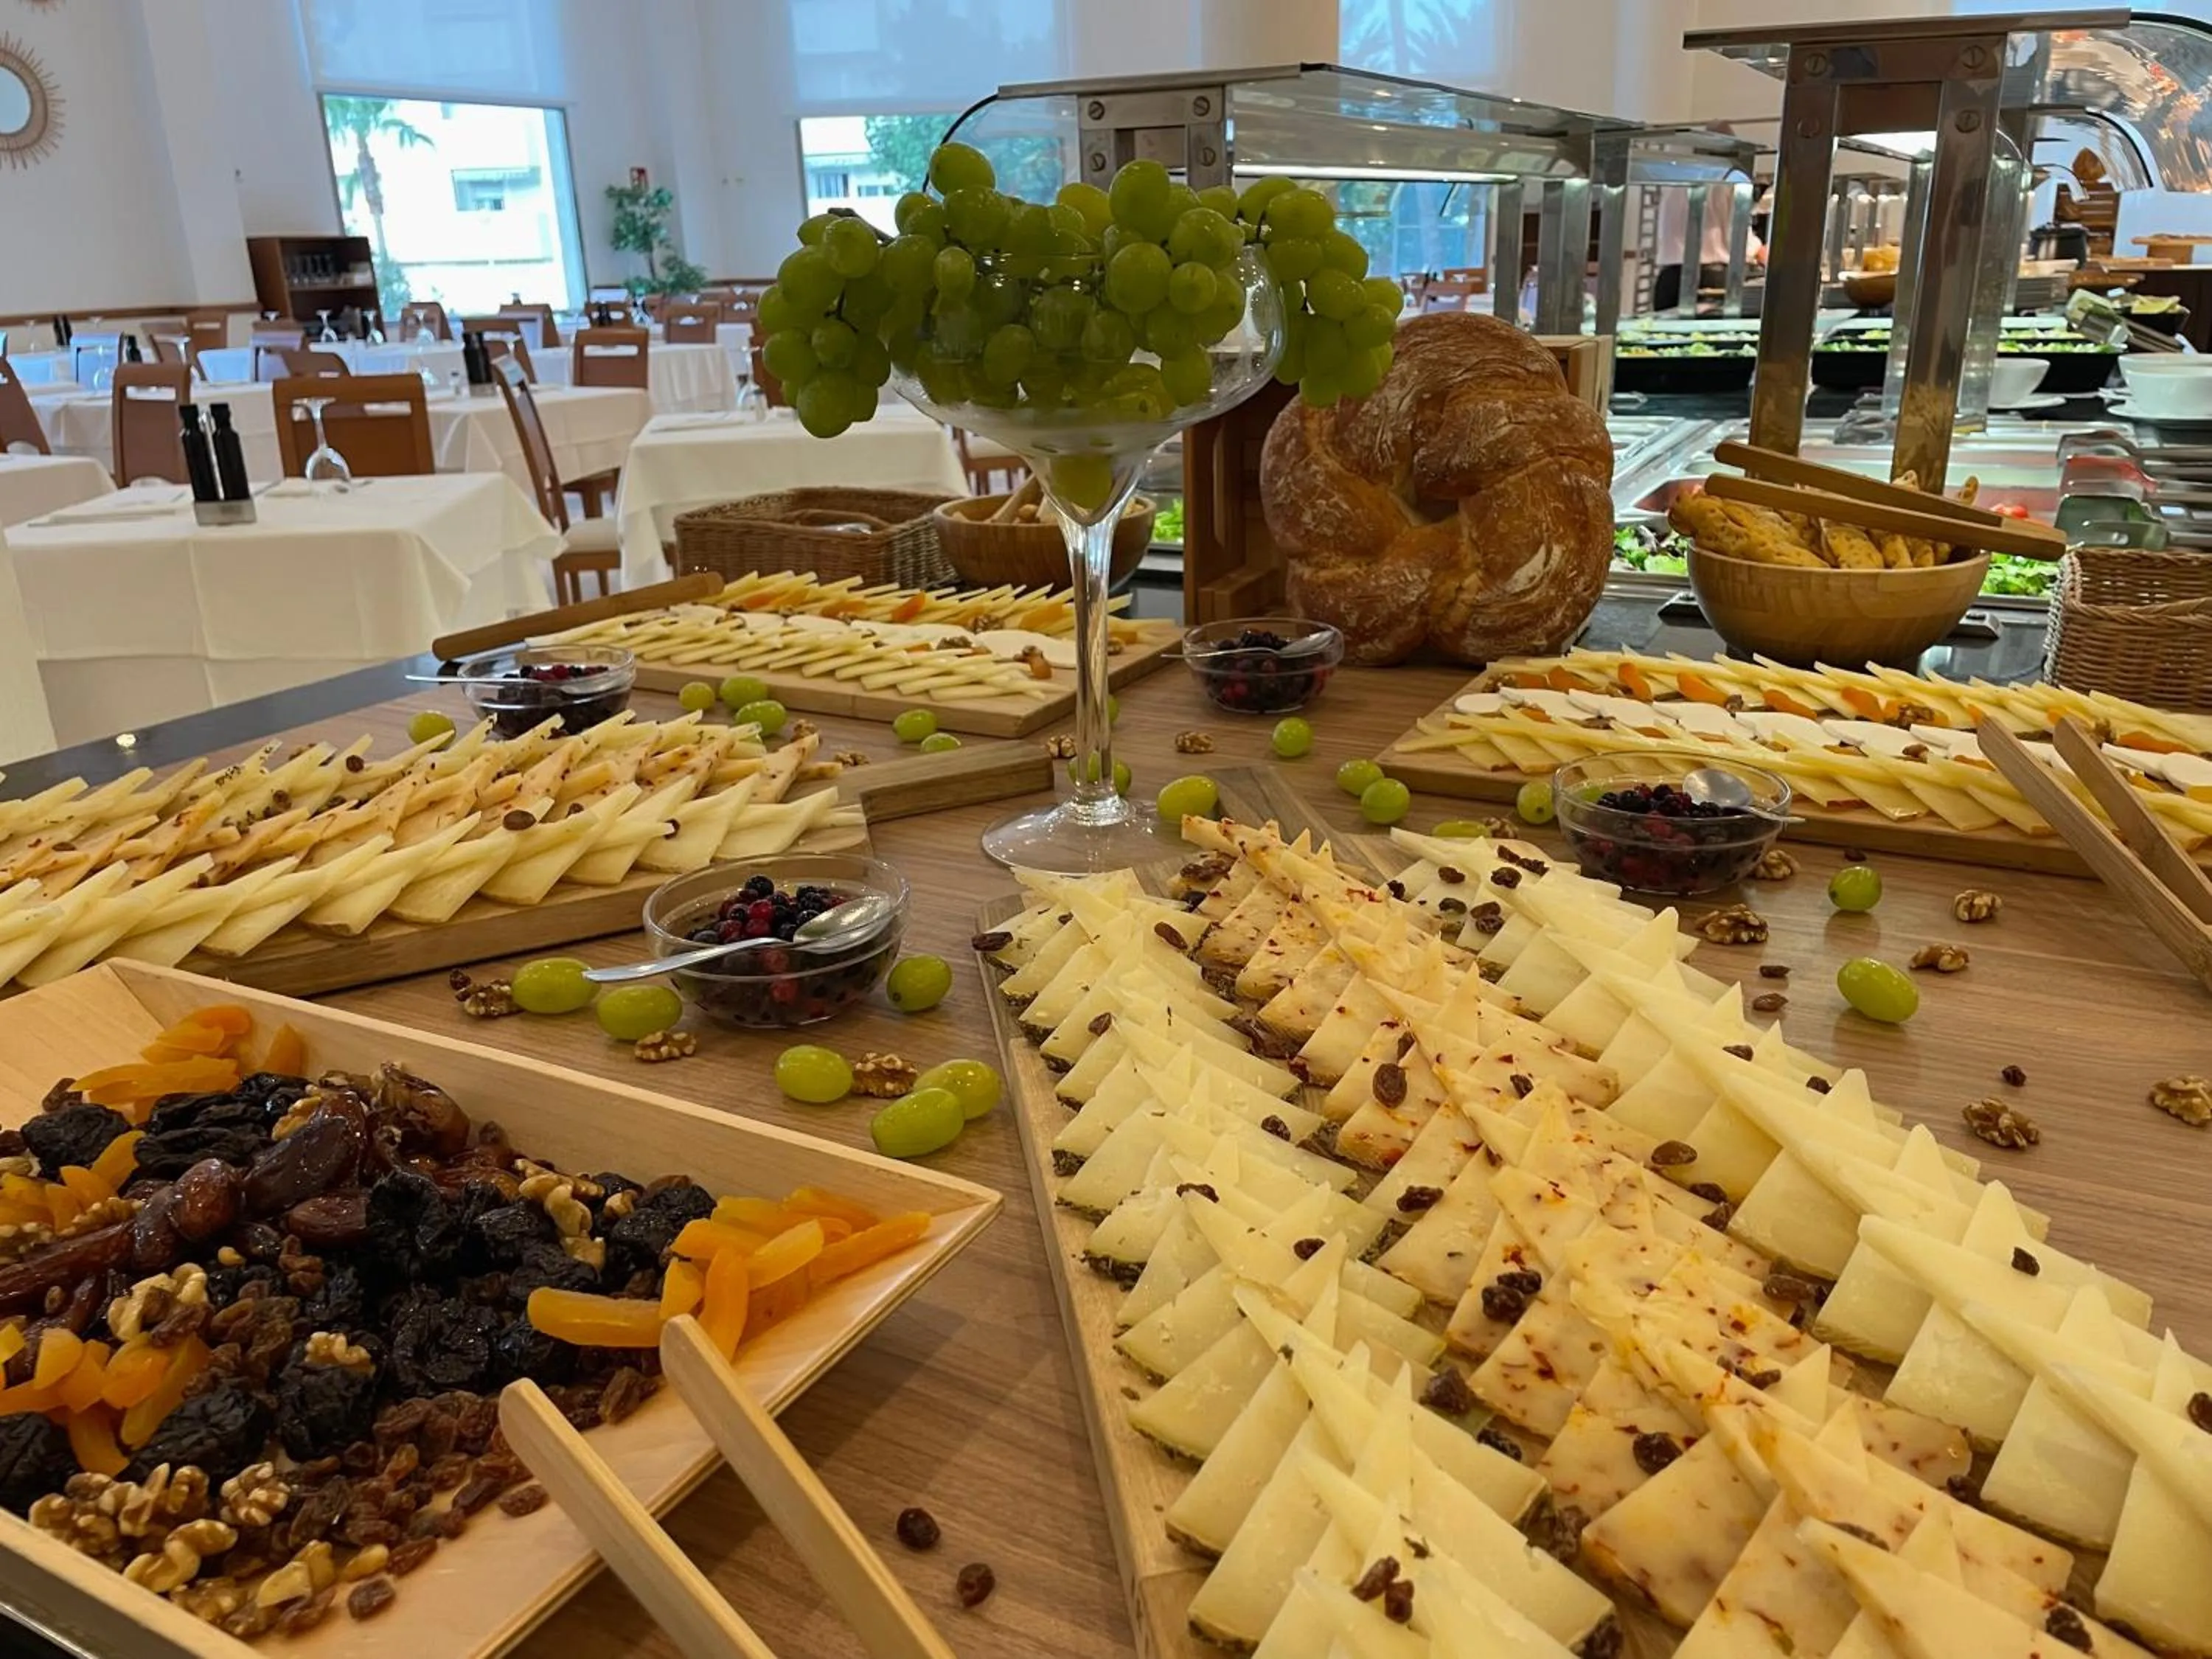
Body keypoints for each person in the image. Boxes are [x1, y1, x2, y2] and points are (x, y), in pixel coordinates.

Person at [1652, 185, 1766, 311]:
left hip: (1670, 278)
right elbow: (1738, 233)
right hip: (1713, 277)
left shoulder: (1674, 174)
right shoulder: (1732, 180)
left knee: (1666, 328)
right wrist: (1758, 249)